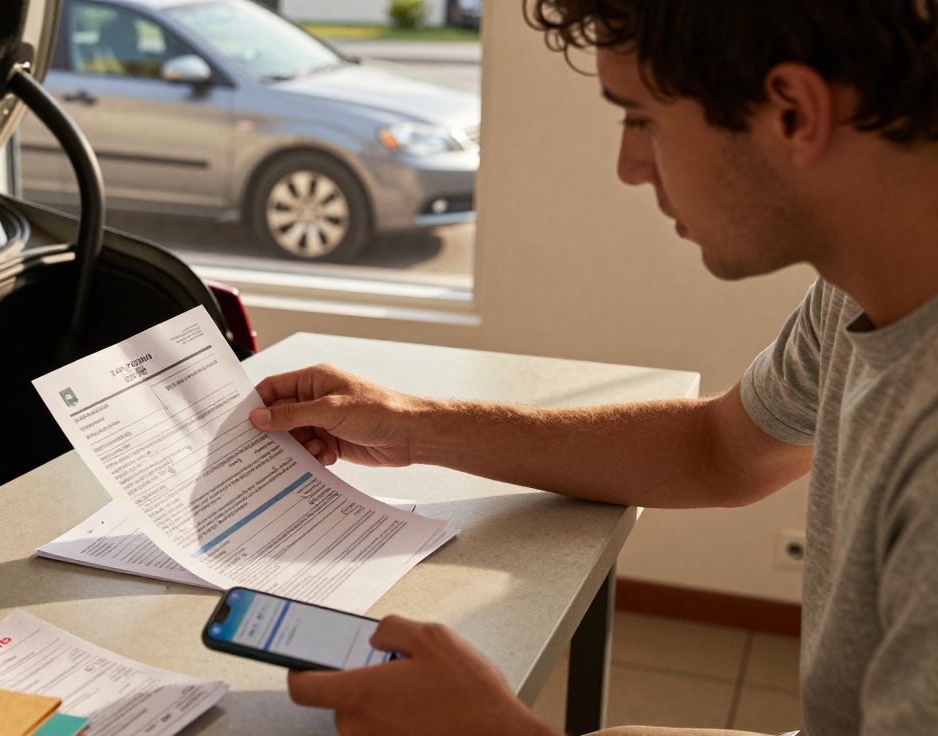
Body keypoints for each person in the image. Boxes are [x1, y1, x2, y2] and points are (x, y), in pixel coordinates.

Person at [247, 1, 938, 734]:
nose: (628, 166)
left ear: (793, 113)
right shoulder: (858, 290)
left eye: (643, 120)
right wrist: (412, 426)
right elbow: (719, 450)